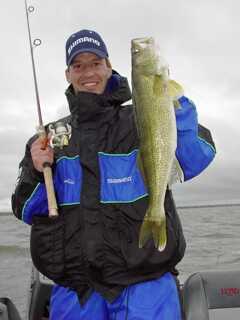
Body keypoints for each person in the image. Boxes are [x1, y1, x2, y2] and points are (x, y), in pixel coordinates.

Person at [12, 29, 216, 320]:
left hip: (145, 281)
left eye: (95, 63)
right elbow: (25, 209)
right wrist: (35, 170)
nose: (88, 72)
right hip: (76, 289)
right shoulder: (50, 139)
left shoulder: (138, 121)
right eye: (78, 65)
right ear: (68, 73)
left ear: (109, 66)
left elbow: (199, 155)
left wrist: (175, 105)